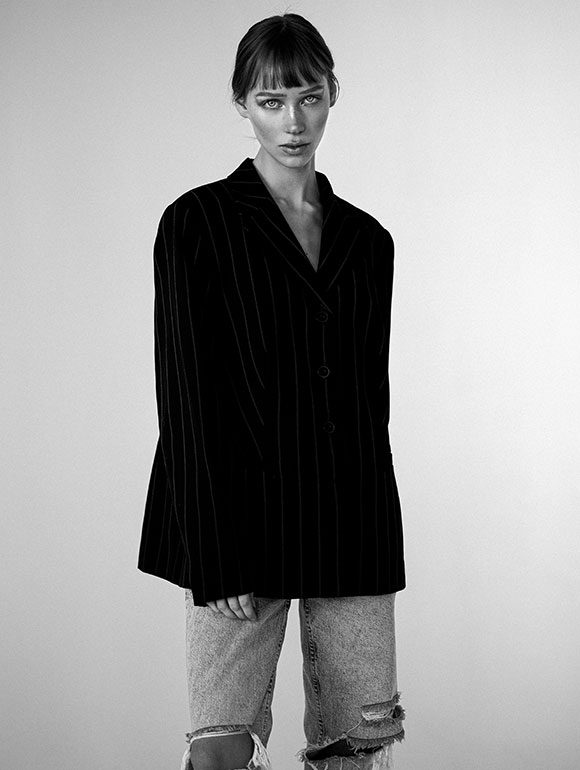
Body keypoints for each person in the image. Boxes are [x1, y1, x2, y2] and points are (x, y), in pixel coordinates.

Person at [137, 12, 406, 770]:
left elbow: (368, 401)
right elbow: (186, 396)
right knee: (219, 749)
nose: (294, 122)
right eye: (271, 101)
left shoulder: (368, 240)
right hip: (237, 526)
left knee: (358, 748)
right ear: (242, 104)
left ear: (332, 96)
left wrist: (379, 528)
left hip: (350, 524)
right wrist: (212, 553)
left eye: (309, 98)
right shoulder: (197, 223)